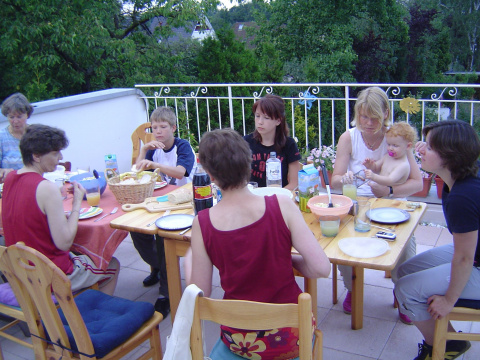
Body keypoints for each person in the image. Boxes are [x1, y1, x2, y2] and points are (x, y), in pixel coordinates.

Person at [185, 128, 331, 360]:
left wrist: (188, 259)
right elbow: (322, 269)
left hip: (239, 340)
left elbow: (198, 294)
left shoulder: (202, 224)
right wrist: (285, 258)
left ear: (210, 175)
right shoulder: (282, 206)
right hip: (291, 337)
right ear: (249, 163)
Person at [331, 87, 423, 324]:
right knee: (341, 243)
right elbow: (335, 180)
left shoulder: (396, 139)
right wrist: (346, 179)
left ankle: (403, 293)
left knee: (404, 248)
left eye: (374, 117)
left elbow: (417, 183)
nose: (369, 123)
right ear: (357, 113)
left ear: (386, 113)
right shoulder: (348, 138)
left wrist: (389, 190)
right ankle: (352, 288)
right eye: (363, 116)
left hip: (392, 204)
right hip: (358, 202)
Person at [394, 120, 480, 360]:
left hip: (473, 260)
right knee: (403, 270)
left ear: (450, 156)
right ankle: (446, 334)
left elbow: (464, 257)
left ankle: (447, 345)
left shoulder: (464, 196)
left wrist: (449, 300)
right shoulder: (465, 175)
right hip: (474, 253)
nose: (421, 149)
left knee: (406, 289)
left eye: (429, 147)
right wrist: (427, 147)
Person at [2, 124, 119, 295]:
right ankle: (87, 313)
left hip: (19, 271)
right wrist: (77, 202)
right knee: (112, 264)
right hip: (48, 275)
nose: (61, 157)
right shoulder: (45, 188)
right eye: (55, 153)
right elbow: (63, 243)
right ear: (36, 156)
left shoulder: (11, 178)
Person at [130, 106, 196, 317]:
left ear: (173, 128)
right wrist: (143, 151)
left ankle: (165, 293)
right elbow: (137, 171)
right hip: (159, 200)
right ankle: (159, 265)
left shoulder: (182, 146)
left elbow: (179, 172)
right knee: (136, 229)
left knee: (161, 235)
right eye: (154, 127)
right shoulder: (153, 148)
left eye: (163, 127)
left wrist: (154, 163)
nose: (158, 131)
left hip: (182, 202)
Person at [244, 94, 302, 190]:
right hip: (252, 197)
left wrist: (274, 198)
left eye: (266, 118)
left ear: (278, 121)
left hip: (278, 198)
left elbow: (294, 183)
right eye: (257, 116)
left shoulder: (289, 145)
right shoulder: (246, 142)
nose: (260, 122)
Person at [363, 122, 418, 187]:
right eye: (389, 144)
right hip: (380, 195)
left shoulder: (403, 165)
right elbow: (375, 167)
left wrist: (373, 176)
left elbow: (390, 180)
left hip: (393, 197)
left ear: (408, 146)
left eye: (395, 145)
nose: (390, 148)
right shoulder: (387, 157)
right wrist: (370, 165)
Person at [0, 93, 34, 183]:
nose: (15, 121)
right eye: (11, 117)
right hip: (9, 184)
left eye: (19, 117)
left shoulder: (35, 135)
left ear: (27, 114)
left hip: (32, 183)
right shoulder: (1, 136)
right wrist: (3, 171)